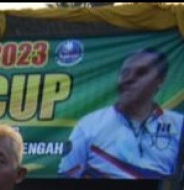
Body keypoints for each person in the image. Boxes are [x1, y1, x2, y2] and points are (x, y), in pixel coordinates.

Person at [59, 49, 183, 179]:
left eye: (141, 73)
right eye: (125, 72)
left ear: (160, 81)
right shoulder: (89, 125)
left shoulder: (179, 125)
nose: (129, 79)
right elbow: (67, 179)